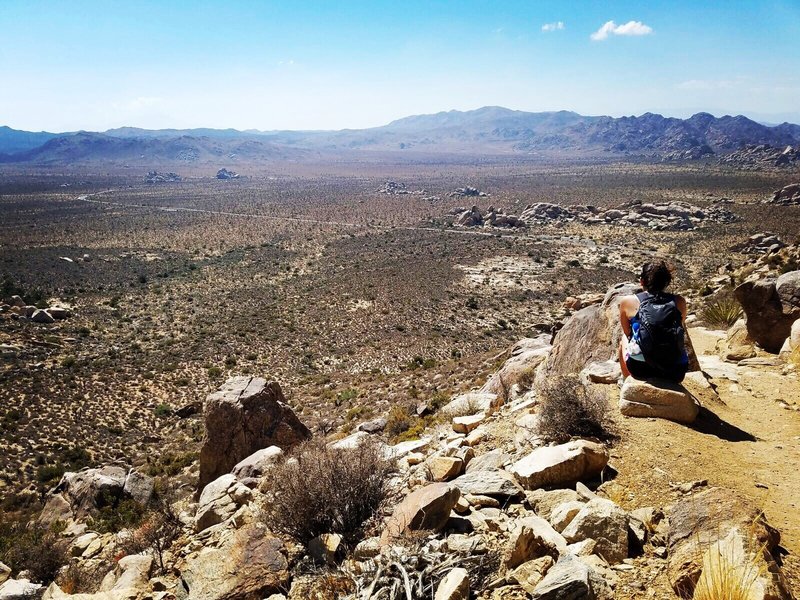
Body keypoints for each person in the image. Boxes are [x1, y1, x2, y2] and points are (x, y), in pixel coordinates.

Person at [618, 260, 689, 382]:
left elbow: (627, 332)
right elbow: (680, 325)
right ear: (666, 282)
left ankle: (625, 379)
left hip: (640, 369)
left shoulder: (628, 301)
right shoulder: (679, 301)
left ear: (642, 281)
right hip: (675, 371)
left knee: (624, 339)